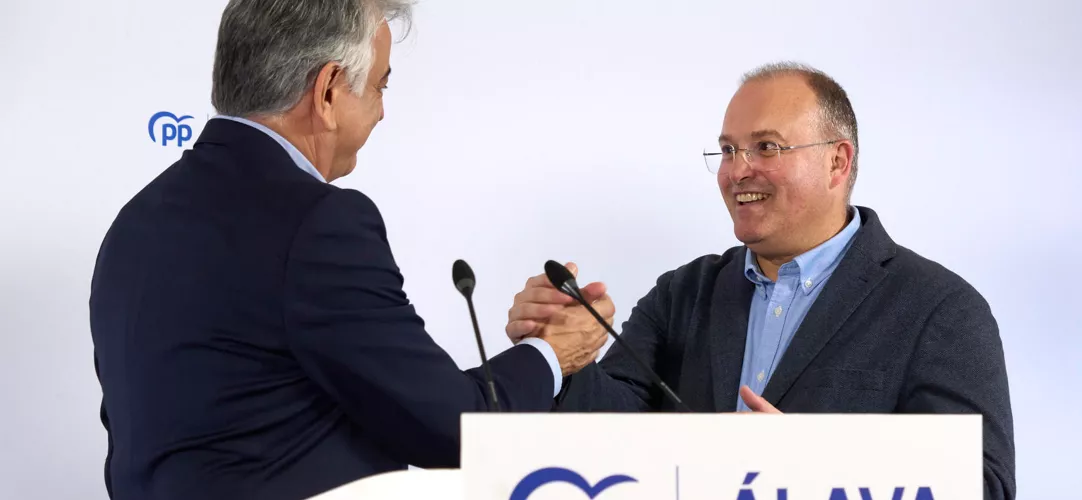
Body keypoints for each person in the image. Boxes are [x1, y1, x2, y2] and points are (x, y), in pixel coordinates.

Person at [88, 1, 609, 499]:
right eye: (380, 86)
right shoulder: (318, 224)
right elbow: (453, 428)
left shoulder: (134, 224)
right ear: (329, 90)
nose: (382, 113)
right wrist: (551, 354)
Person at [506, 62, 1016, 500]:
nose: (737, 171)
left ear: (838, 161)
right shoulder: (683, 293)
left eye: (766, 147)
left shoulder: (939, 308)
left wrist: (810, 467)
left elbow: (980, 486)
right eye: (728, 151)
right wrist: (560, 357)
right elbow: (611, 433)